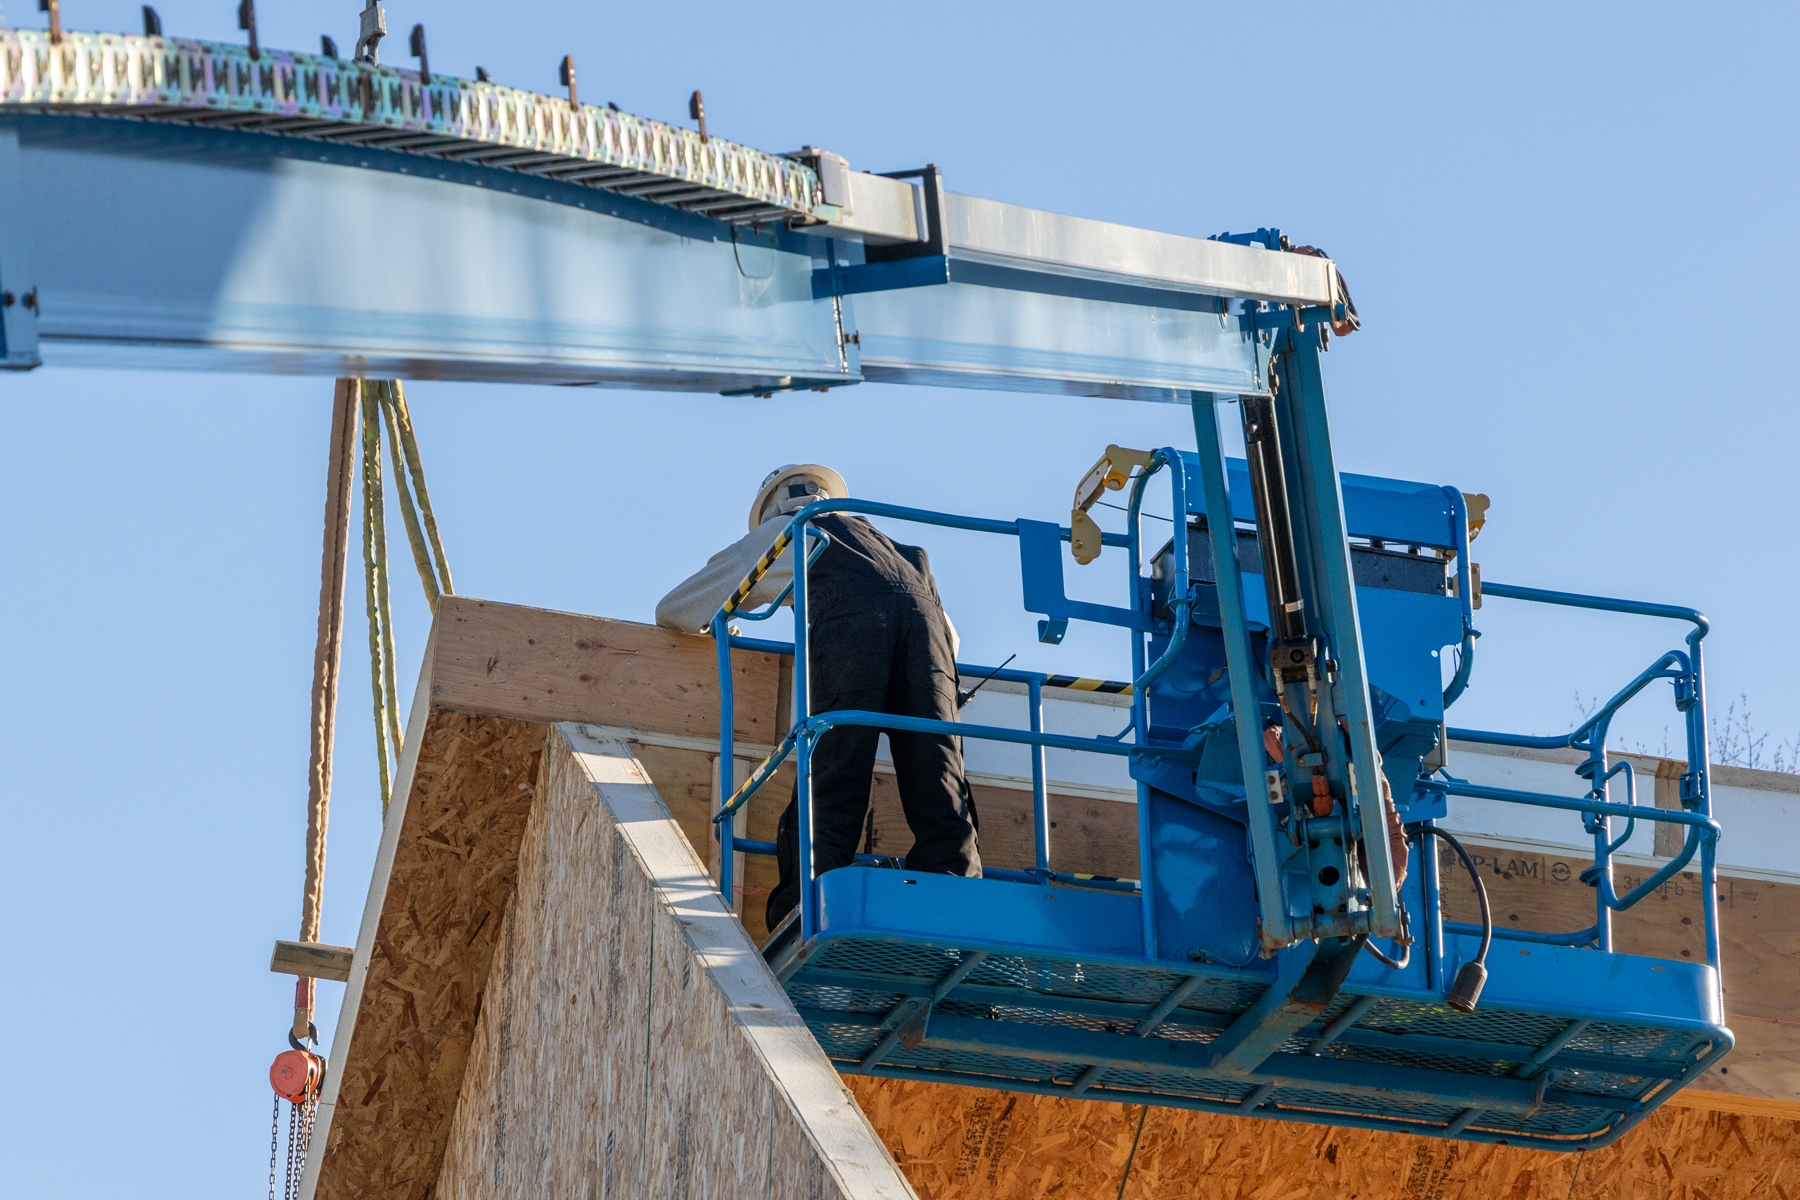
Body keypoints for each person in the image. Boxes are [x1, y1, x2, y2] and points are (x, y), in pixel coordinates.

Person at [656, 464, 982, 929]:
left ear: (772, 508)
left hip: (852, 637)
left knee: (832, 777)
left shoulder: (790, 531)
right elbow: (951, 643)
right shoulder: (907, 554)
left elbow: (677, 609)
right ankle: (957, 902)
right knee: (940, 779)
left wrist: (726, 625)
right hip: (928, 650)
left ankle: (807, 907)